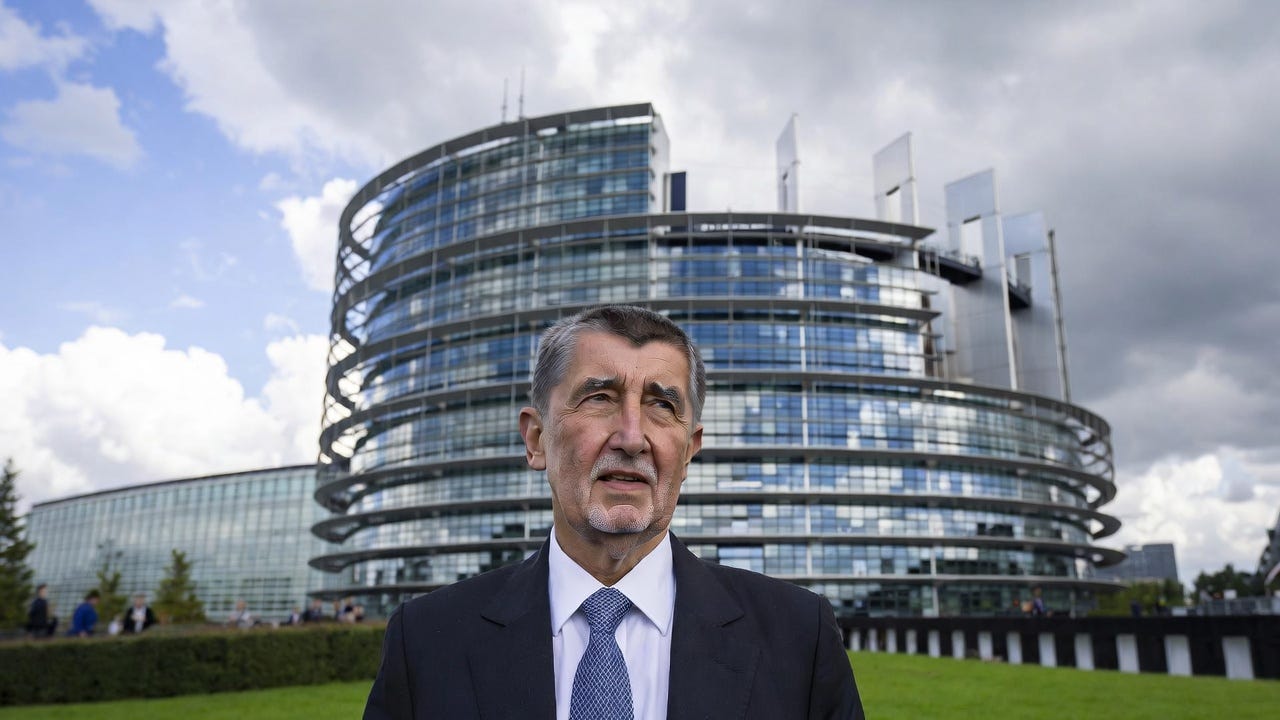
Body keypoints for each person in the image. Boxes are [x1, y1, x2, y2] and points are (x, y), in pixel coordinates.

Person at [365, 305, 864, 719]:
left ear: (688, 451)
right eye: (599, 398)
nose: (631, 437)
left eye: (661, 406)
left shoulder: (800, 637)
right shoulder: (426, 640)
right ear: (536, 439)